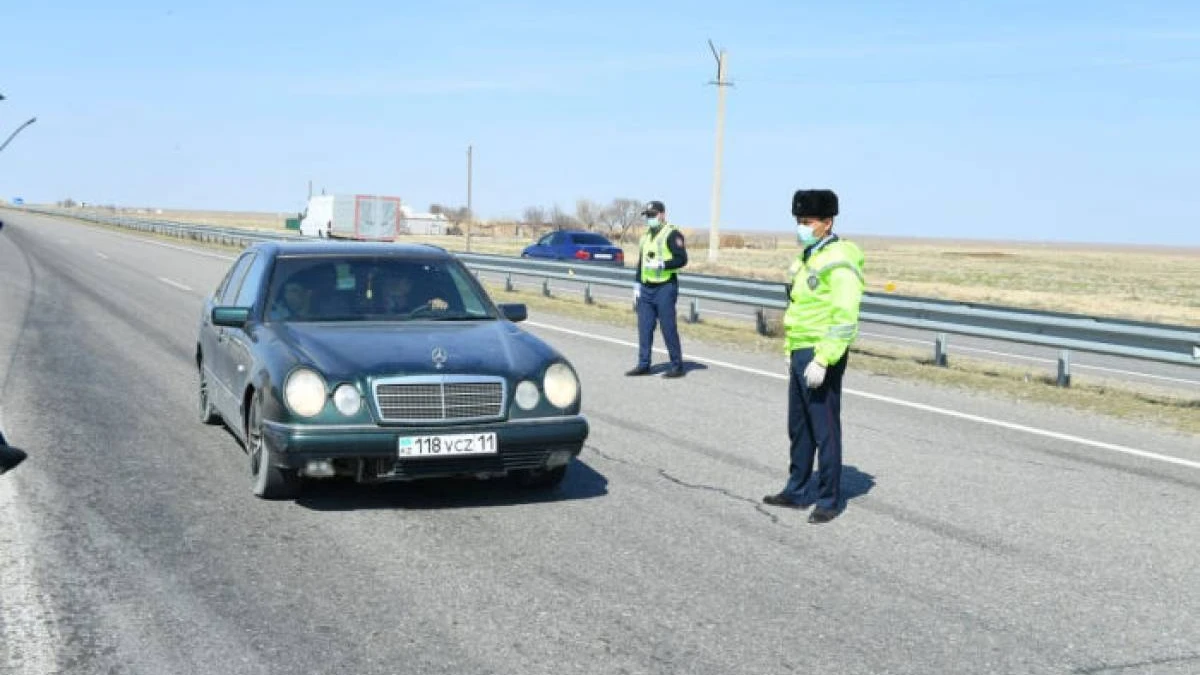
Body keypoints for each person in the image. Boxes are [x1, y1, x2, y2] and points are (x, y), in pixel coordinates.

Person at [762, 189, 865, 524]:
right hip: (800, 349)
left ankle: (828, 499)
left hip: (822, 353)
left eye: (807, 222)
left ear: (827, 222)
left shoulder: (840, 258)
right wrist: (791, 350)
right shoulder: (809, 255)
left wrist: (824, 359)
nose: (801, 227)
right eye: (799, 221)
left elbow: (845, 315)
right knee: (799, 427)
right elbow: (799, 307)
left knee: (825, 429)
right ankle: (796, 490)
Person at [625, 200, 688, 378]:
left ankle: (677, 366)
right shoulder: (645, 236)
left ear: (662, 215)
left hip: (665, 287)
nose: (649, 219)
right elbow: (641, 263)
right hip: (646, 288)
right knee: (644, 327)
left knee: (668, 328)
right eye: (647, 216)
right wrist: (637, 284)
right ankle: (643, 364)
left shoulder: (672, 234)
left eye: (652, 215)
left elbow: (682, 259)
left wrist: (662, 264)